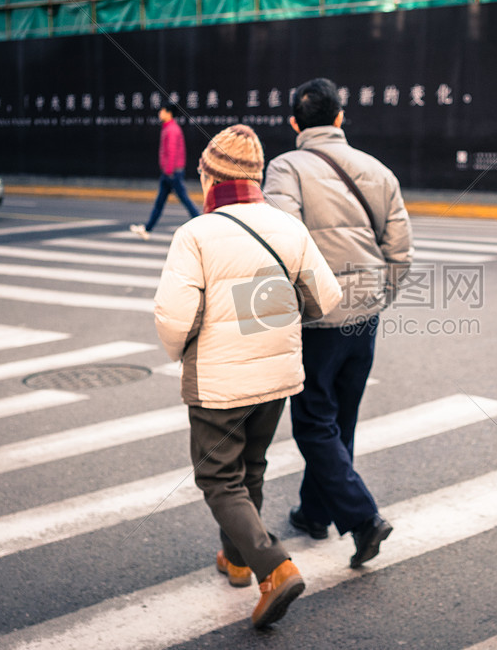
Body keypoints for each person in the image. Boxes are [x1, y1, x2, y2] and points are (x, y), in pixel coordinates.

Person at [153, 124, 343, 629]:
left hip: (219, 379)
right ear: (257, 176)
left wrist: (181, 350)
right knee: (249, 468)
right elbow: (327, 299)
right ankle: (238, 561)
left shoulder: (195, 233)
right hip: (276, 374)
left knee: (217, 476)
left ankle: (274, 566)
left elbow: (174, 319)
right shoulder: (288, 227)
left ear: (210, 176)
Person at [262, 77, 413, 569]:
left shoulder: (286, 167)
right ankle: (314, 512)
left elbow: (281, 242)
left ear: (294, 123)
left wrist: (301, 305)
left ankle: (363, 518)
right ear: (341, 118)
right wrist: (375, 299)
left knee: (311, 422)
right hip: (364, 318)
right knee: (339, 418)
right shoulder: (377, 169)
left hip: (318, 319)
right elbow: (400, 252)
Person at [131, 102, 200, 240]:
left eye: (161, 111)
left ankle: (202, 223)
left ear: (168, 113)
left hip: (172, 173)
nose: (159, 113)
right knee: (160, 202)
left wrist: (168, 172)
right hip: (170, 172)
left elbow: (172, 152)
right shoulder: (169, 128)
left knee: (184, 200)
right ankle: (147, 229)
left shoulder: (172, 130)